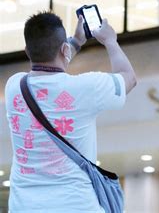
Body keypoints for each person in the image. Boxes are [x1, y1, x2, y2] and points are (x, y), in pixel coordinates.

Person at [5, 11, 137, 212]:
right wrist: (110, 41)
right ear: (63, 49)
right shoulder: (85, 88)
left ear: (27, 51)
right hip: (76, 205)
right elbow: (128, 77)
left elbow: (49, 66)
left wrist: (75, 41)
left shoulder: (14, 86)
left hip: (23, 206)